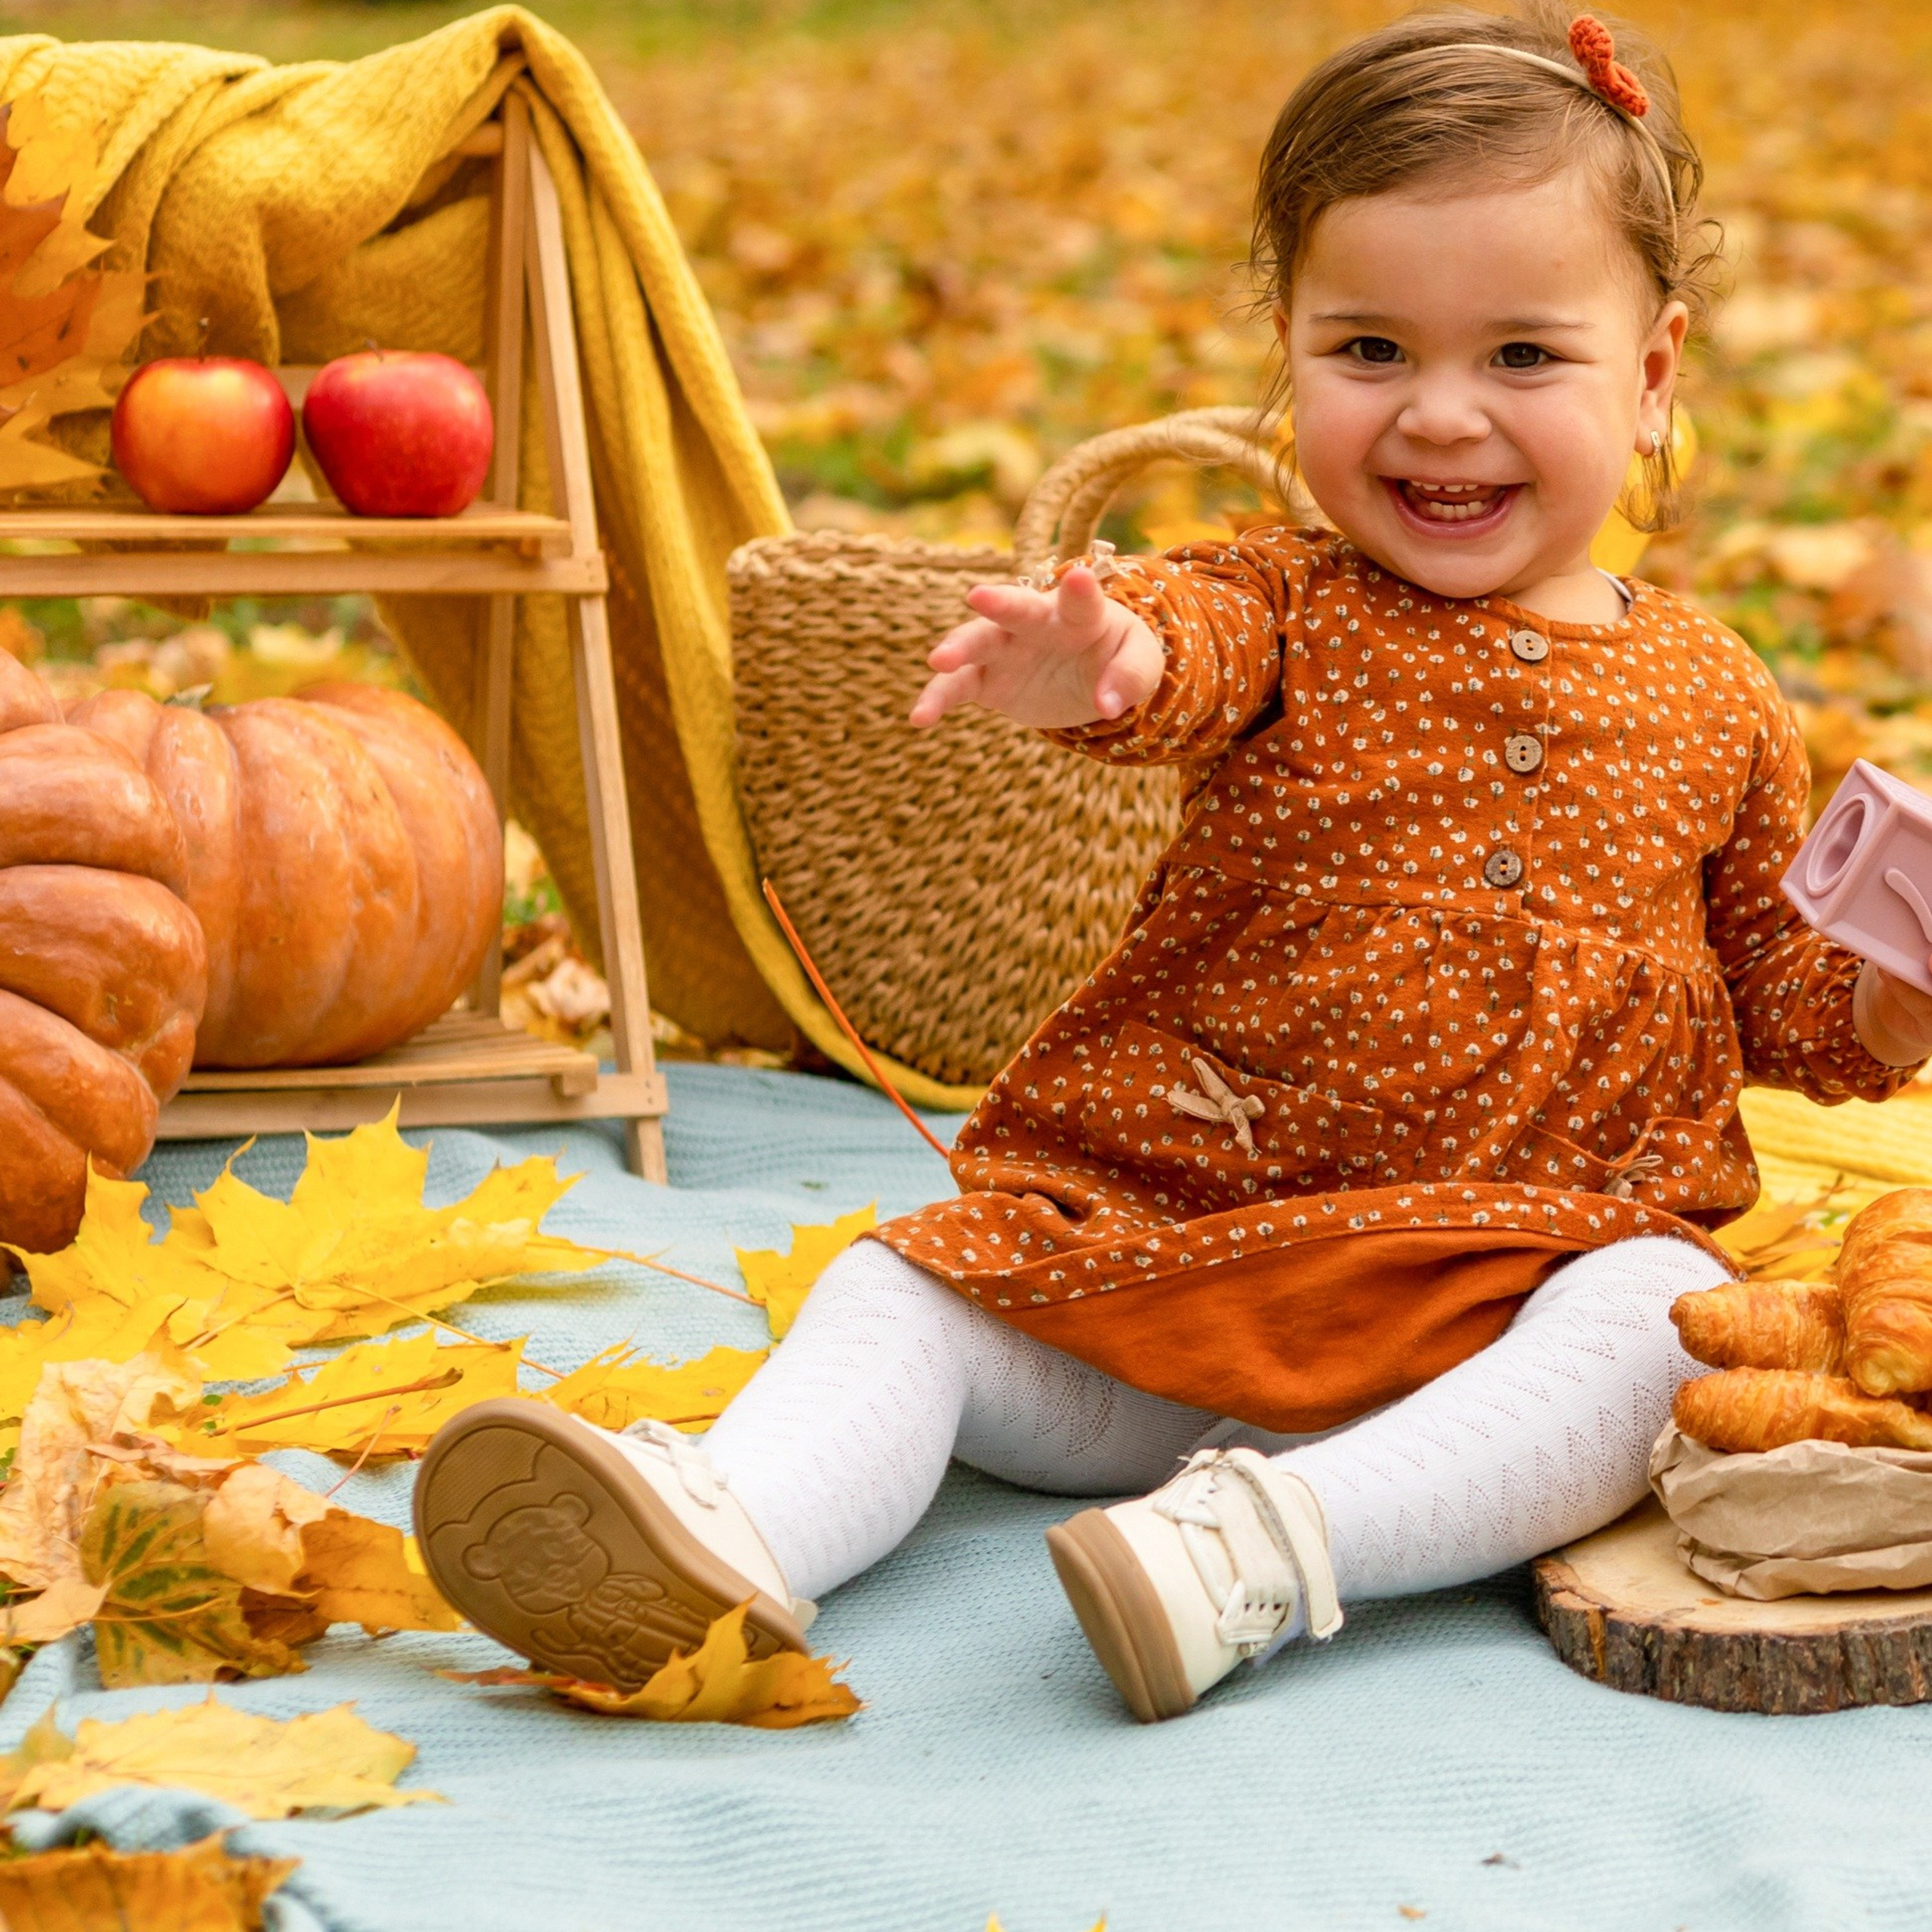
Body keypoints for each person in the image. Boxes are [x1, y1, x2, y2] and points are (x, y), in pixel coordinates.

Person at [414, 4, 1932, 1723]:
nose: (1439, 418)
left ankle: (1265, 1548)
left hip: (1507, 1283)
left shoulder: (1715, 693)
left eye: (1520, 357)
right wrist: (1098, 666)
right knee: (900, 1284)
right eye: (1368, 350)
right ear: (1284, 348)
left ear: (1648, 371)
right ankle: (725, 1526)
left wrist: (1900, 975)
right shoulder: (1278, 597)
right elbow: (1173, 652)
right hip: (1179, 1246)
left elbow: (1795, 1014)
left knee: (1658, 1318)